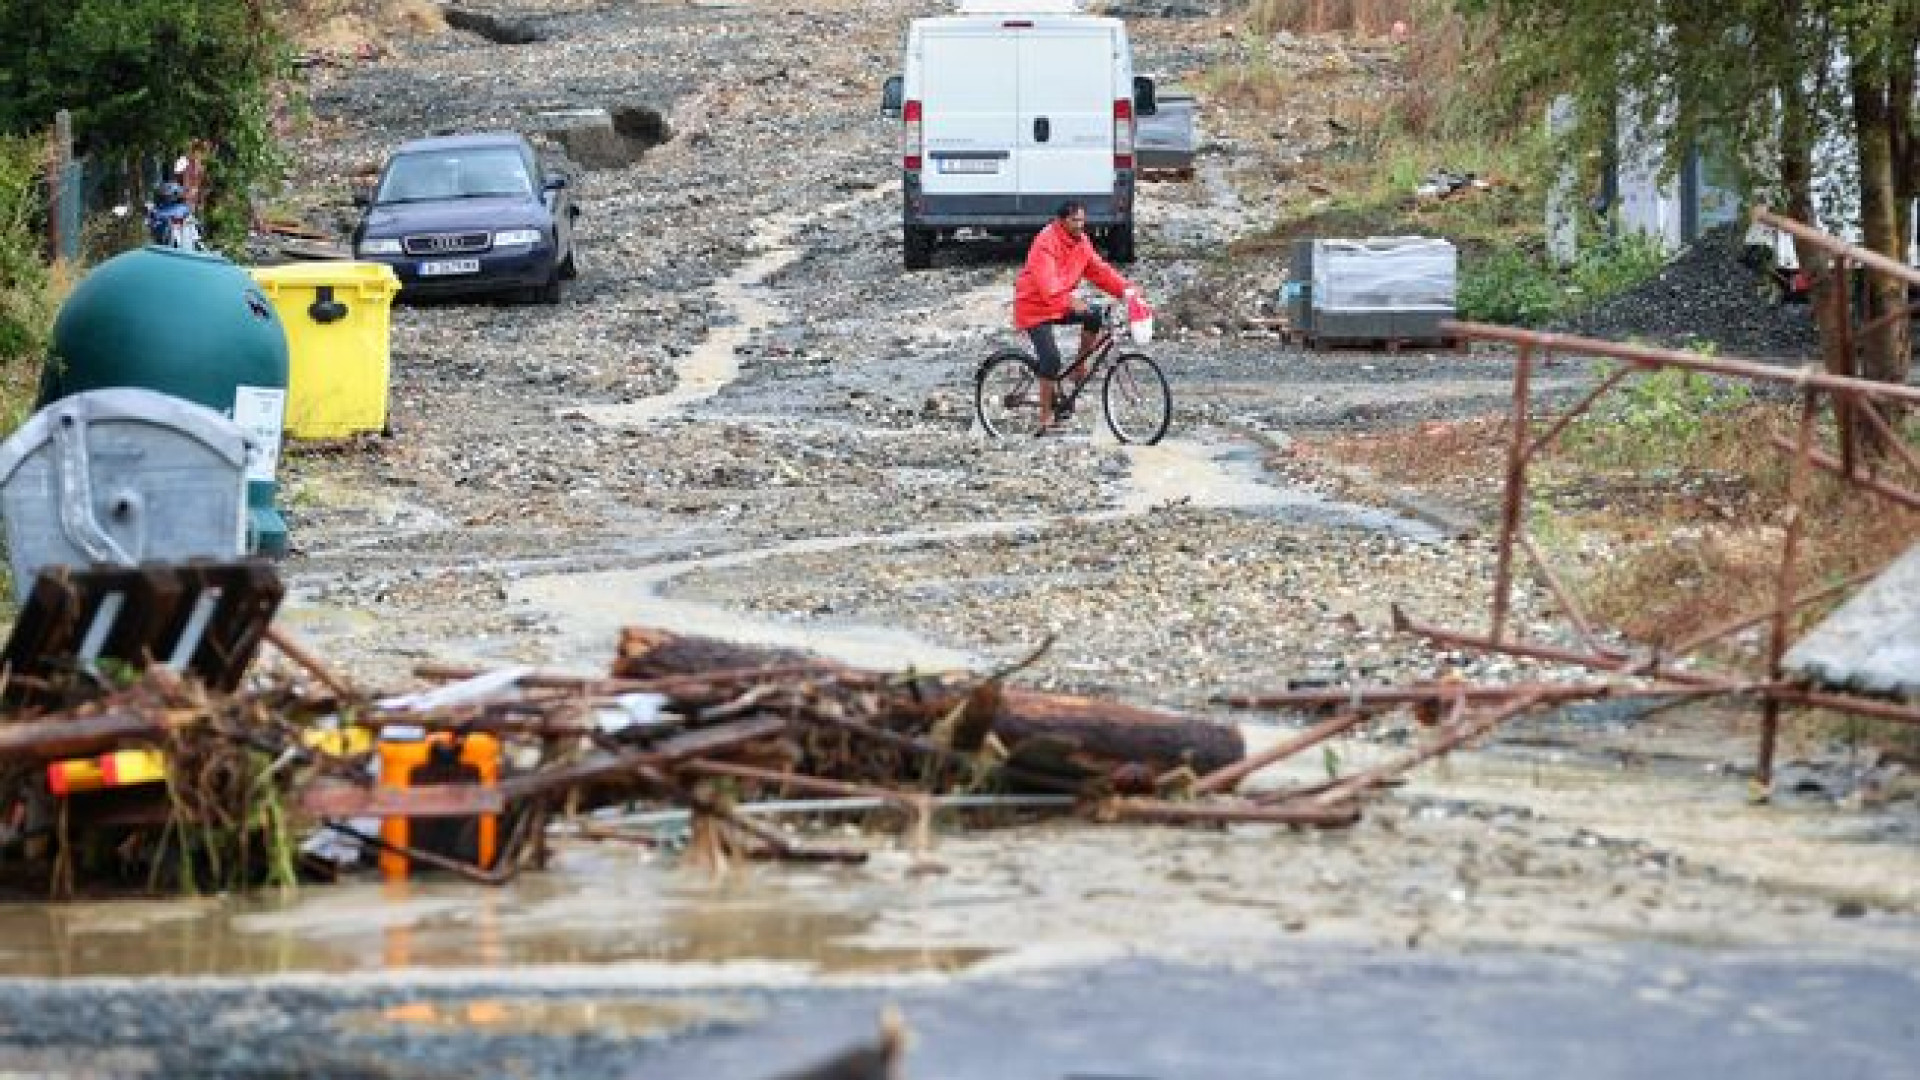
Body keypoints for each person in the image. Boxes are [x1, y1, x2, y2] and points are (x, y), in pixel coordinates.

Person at [1013, 201, 1134, 434]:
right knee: (1051, 360)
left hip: (1058, 303)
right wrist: (1071, 301)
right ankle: (1045, 415)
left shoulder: (1082, 242)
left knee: (1094, 316)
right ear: (1061, 221)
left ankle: (1080, 368)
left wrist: (1126, 290)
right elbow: (1048, 285)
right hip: (1034, 307)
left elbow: (1100, 271)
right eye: (1075, 221)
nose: (1081, 225)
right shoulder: (1045, 242)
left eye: (1082, 220)